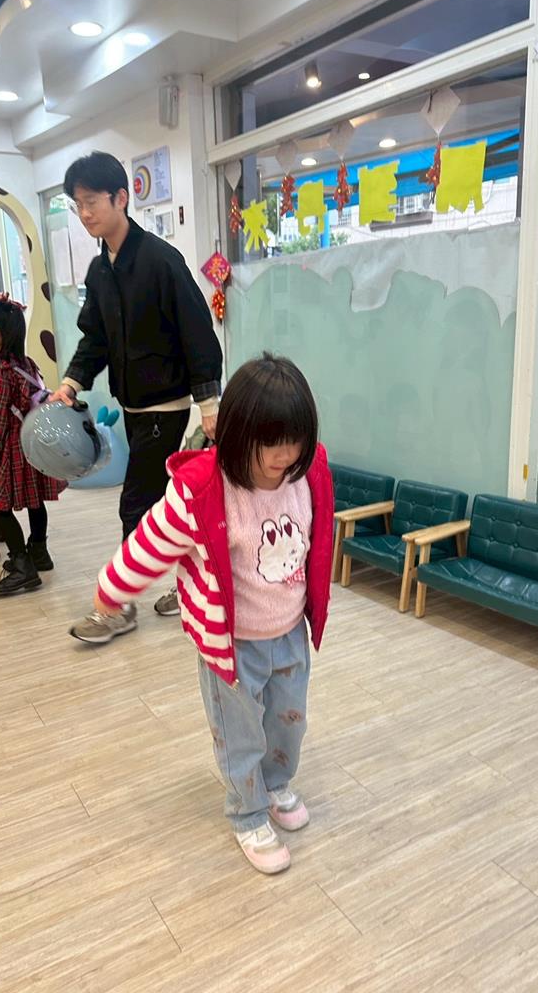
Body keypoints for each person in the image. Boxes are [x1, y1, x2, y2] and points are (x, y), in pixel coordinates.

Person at [92, 354, 333, 874]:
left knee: (288, 724)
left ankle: (275, 785)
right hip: (232, 646)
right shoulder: (204, 489)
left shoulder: (307, 474)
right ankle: (247, 813)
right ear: (239, 433)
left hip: (289, 633)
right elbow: (152, 541)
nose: (285, 454)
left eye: (295, 440)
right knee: (240, 734)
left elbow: (318, 537)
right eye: (271, 442)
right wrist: (113, 587)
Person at [50, 151, 223, 643]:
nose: (85, 212)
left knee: (136, 504)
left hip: (165, 407)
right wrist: (72, 383)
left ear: (121, 198)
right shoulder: (100, 270)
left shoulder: (162, 261)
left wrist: (209, 405)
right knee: (168, 502)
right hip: (133, 405)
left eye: (92, 201)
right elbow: (95, 338)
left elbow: (198, 334)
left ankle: (118, 606)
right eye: (78, 204)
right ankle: (190, 584)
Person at [0, 294, 65, 596]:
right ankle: (39, 551)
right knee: (35, 501)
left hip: (11, 452)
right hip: (34, 447)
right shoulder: (26, 365)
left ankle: (22, 566)